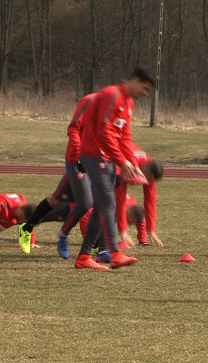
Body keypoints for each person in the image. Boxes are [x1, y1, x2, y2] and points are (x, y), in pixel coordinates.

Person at [75, 65, 155, 270]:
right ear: (135, 79)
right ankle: (115, 253)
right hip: (94, 154)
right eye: (144, 89)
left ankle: (84, 257)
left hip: (108, 157)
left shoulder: (129, 104)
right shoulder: (112, 95)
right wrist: (122, 161)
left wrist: (132, 163)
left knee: (101, 207)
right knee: (108, 202)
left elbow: (125, 137)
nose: (144, 94)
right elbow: (104, 132)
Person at [18, 93, 97, 259]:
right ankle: (30, 229)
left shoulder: (116, 110)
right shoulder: (91, 104)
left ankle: (98, 246)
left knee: (86, 202)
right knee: (69, 202)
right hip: (80, 164)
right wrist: (78, 157)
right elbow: (74, 129)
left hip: (97, 165)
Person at [115, 144, 164, 247]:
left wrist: (151, 229)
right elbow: (121, 199)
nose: (146, 182)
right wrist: (123, 231)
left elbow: (150, 200)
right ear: (145, 169)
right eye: (148, 179)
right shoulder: (128, 164)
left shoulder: (148, 167)